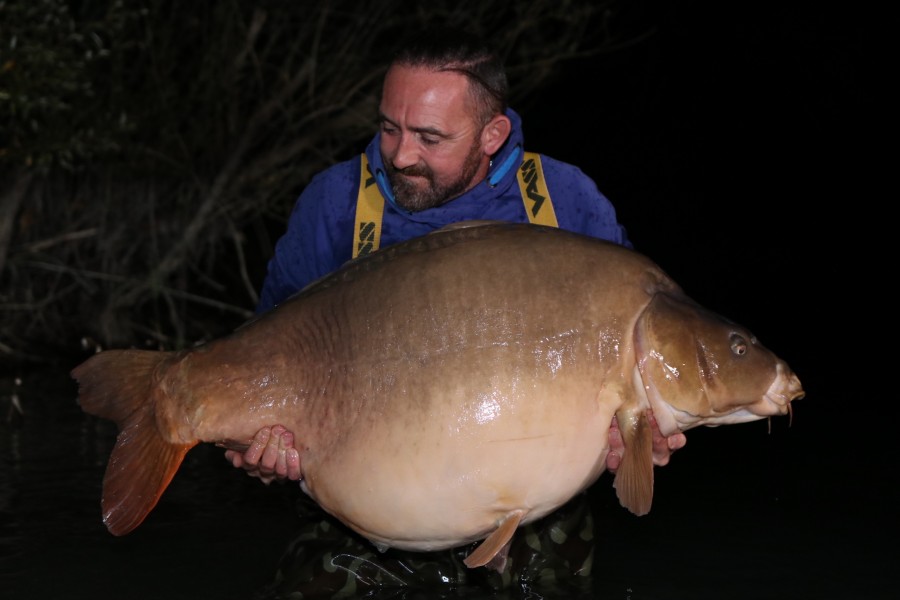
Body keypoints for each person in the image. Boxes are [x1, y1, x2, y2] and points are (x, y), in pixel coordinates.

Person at [227, 26, 686, 598]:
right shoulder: (336, 203)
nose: (399, 154)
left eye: (429, 137)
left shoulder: (565, 202)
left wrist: (635, 438)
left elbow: (627, 378)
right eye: (389, 127)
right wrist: (260, 447)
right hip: (366, 509)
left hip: (534, 513)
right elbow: (264, 355)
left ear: (492, 133)